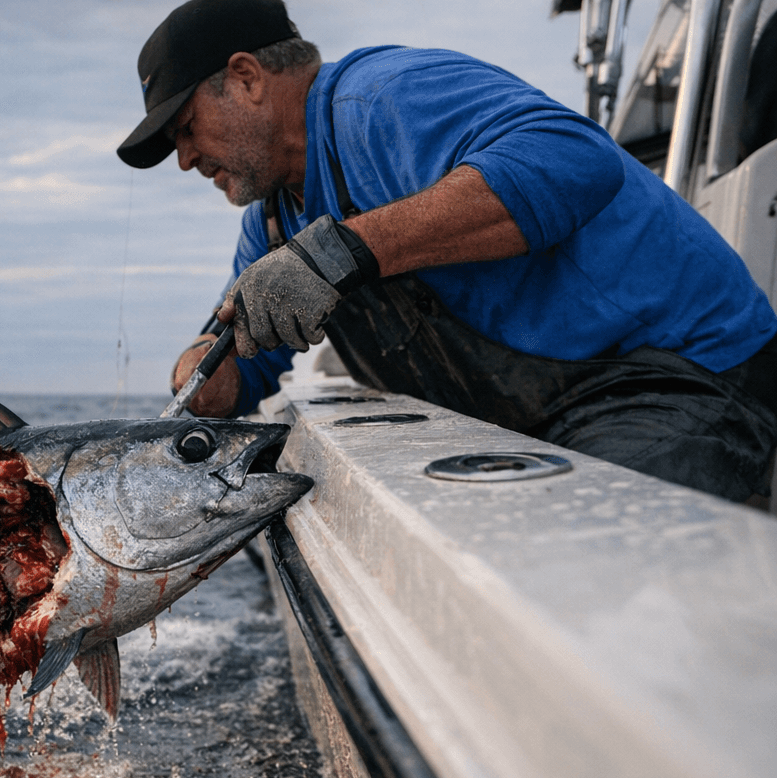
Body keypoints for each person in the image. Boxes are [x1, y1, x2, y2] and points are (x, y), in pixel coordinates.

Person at [119, 0, 777, 504]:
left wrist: (347, 249)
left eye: (186, 129)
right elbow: (244, 363)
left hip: (681, 379)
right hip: (541, 423)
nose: (183, 160)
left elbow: (577, 158)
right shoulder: (274, 217)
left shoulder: (384, 98)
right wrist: (202, 375)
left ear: (246, 78)